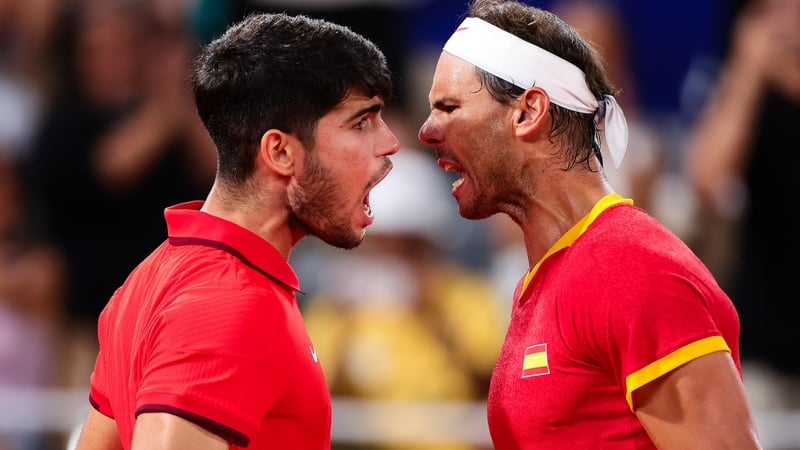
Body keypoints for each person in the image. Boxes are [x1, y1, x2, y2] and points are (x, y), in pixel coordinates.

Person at [416, 1, 762, 448]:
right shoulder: (555, 276)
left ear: (528, 111)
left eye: (449, 107)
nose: (426, 130)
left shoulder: (630, 268)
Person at [74, 11, 399, 450]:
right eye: (361, 122)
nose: (390, 142)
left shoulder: (151, 277)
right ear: (280, 152)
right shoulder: (232, 301)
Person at [685, 0, 800, 411]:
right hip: (765, 344)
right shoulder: (744, 88)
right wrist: (748, 74)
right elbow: (709, 180)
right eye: (766, 11)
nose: (785, 21)